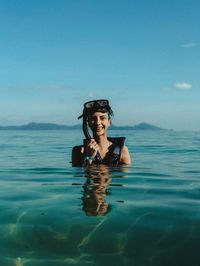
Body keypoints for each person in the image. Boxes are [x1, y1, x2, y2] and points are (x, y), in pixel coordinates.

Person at [72, 99, 131, 166]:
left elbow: (125, 175)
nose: (98, 122)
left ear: (109, 122)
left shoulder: (122, 151)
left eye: (102, 118)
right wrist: (89, 158)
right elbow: (80, 175)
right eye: (93, 119)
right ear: (87, 123)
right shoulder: (79, 151)